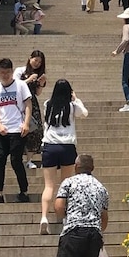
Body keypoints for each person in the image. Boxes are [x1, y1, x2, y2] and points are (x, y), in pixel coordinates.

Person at [52, 154, 108, 257]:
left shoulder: (69, 182)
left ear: (76, 167)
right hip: (93, 236)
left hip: (73, 233)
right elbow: (104, 217)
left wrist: (67, 217)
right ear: (92, 168)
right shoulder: (101, 188)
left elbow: (59, 207)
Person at [40, 79, 88, 235]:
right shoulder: (72, 106)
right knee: (65, 184)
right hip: (67, 146)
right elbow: (84, 113)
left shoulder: (48, 104)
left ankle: (44, 217)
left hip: (50, 146)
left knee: (49, 186)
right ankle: (64, 217)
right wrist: (76, 99)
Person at [0, 58, 33, 204]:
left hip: (18, 130)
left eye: (8, 72)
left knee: (16, 160)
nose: (5, 75)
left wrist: (26, 124)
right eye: (2, 72)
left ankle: (23, 191)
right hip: (2, 131)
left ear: (12, 71)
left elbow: (28, 104)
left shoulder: (20, 85)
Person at [15, 51, 48, 170]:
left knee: (35, 131)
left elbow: (37, 93)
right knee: (19, 130)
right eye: (35, 60)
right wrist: (29, 79)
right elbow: (15, 86)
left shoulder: (38, 73)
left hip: (33, 104)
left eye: (40, 62)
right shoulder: (20, 71)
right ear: (30, 58)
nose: (37, 63)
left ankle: (29, 160)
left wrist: (41, 84)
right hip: (19, 103)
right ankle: (17, 158)